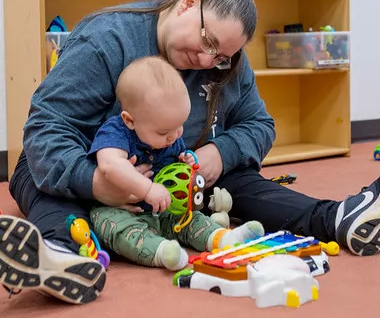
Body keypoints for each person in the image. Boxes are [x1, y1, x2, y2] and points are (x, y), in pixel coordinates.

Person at [0, 0, 380, 305]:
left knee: (239, 177)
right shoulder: (106, 40)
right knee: (42, 177)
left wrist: (216, 153)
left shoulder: (226, 62)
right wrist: (98, 183)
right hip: (90, 171)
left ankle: (339, 219)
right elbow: (47, 129)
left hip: (172, 182)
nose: (207, 58)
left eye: (222, 55)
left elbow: (258, 125)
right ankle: (59, 254)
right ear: (189, 3)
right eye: (206, 42)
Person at [88, 55, 265, 270]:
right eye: (164, 132)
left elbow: (178, 156)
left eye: (180, 126)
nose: (174, 136)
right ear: (129, 120)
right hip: (123, 210)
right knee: (115, 228)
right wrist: (147, 189)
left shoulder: (170, 133)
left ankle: (222, 239)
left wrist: (186, 160)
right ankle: (162, 252)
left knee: (191, 218)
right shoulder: (116, 132)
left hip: (166, 210)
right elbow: (110, 165)